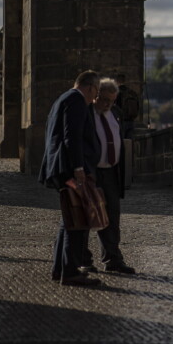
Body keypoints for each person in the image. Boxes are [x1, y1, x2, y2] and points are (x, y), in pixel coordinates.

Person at [39, 70, 101, 287]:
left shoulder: (63, 98)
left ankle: (60, 269)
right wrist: (78, 167)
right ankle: (70, 271)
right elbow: (71, 136)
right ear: (91, 87)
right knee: (77, 220)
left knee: (68, 219)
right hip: (69, 169)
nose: (96, 98)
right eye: (96, 91)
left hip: (60, 167)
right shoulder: (76, 100)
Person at [81, 78, 136, 274]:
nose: (106, 104)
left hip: (112, 173)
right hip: (92, 173)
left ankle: (113, 259)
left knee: (112, 217)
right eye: (103, 99)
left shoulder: (115, 114)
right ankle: (84, 259)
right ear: (95, 96)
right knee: (87, 217)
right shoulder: (86, 113)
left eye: (111, 101)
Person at [114, 73, 139, 139]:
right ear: (125, 81)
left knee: (121, 143)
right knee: (129, 143)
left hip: (121, 122)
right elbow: (138, 107)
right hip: (131, 121)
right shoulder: (132, 93)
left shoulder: (116, 93)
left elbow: (115, 108)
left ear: (116, 81)